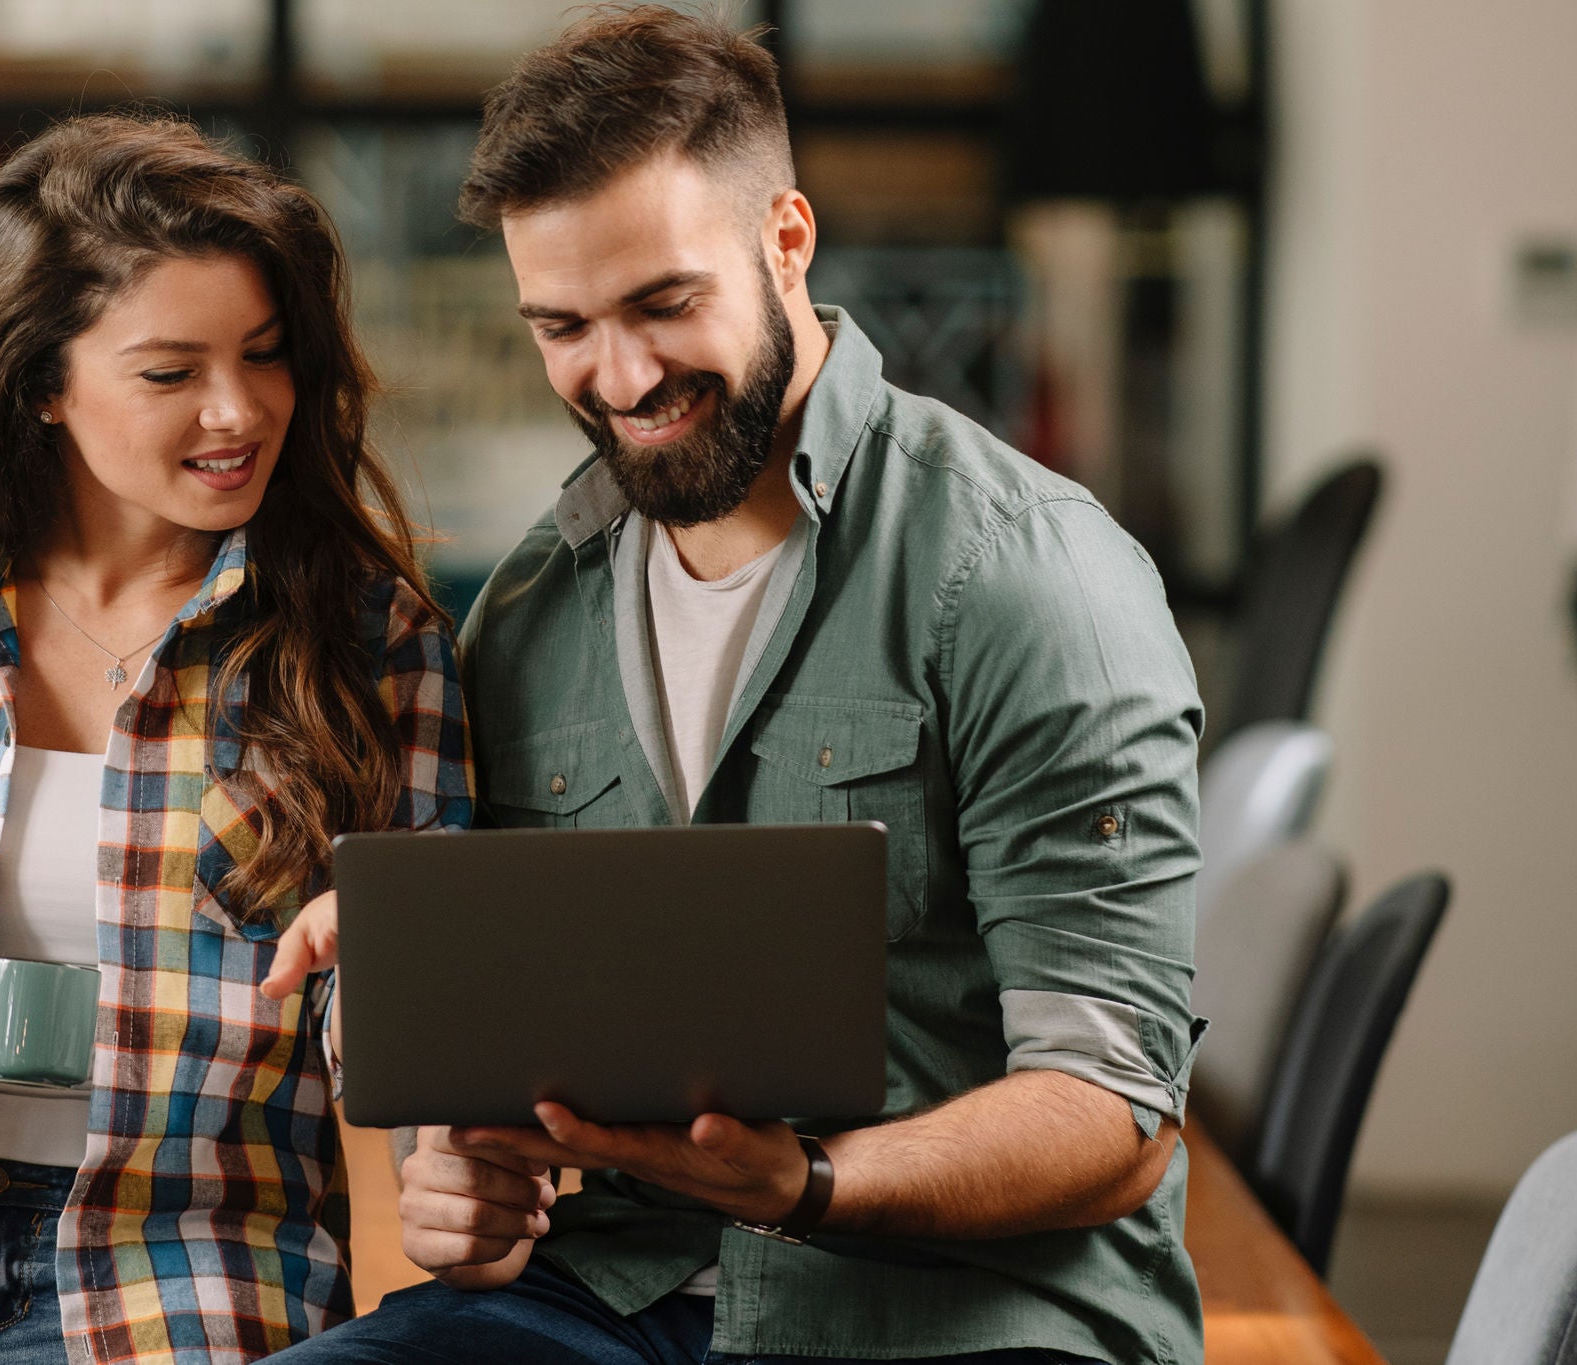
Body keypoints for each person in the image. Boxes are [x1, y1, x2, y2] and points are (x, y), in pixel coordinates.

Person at [275, 9, 1206, 1365]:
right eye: (565, 327)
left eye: (664, 304)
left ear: (786, 239)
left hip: (965, 1317)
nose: (623, 376)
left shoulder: (1027, 577)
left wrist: (810, 1185)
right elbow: (513, 1071)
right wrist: (460, 1181)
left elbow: (1112, 1108)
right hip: (618, 1298)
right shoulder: (533, 614)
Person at [0, 114, 471, 1364]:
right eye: (170, 374)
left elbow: (435, 1038)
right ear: (43, 384)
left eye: (267, 356)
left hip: (189, 1271)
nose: (238, 411)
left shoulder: (371, 647)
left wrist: (409, 1033)